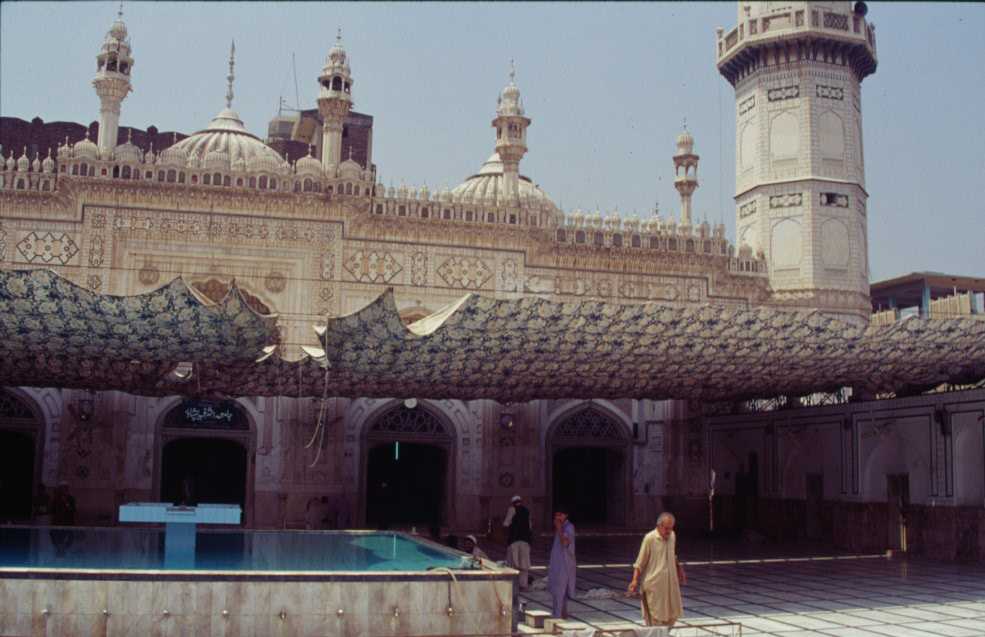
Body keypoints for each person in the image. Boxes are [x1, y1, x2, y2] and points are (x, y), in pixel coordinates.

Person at [627, 512, 686, 627]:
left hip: (670, 586)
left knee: (672, 616)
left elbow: (673, 555)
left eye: (671, 528)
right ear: (659, 526)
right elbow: (640, 563)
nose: (669, 531)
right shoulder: (649, 538)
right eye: (666, 528)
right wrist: (634, 581)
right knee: (655, 621)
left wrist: (680, 570)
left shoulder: (672, 536)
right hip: (654, 587)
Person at [547, 509, 576, 619]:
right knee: (558, 591)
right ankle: (562, 614)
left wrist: (559, 528)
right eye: (556, 514)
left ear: (566, 515)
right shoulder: (562, 527)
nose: (558, 517)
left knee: (560, 591)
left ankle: (557, 617)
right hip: (558, 564)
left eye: (561, 514)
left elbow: (565, 542)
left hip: (565, 564)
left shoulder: (569, 527)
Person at [502, 495, 532, 590]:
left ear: (513, 502)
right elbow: (530, 526)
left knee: (513, 563)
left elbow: (506, 523)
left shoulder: (512, 509)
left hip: (514, 541)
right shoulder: (527, 511)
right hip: (525, 541)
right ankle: (523, 585)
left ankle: (513, 585)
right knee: (524, 564)